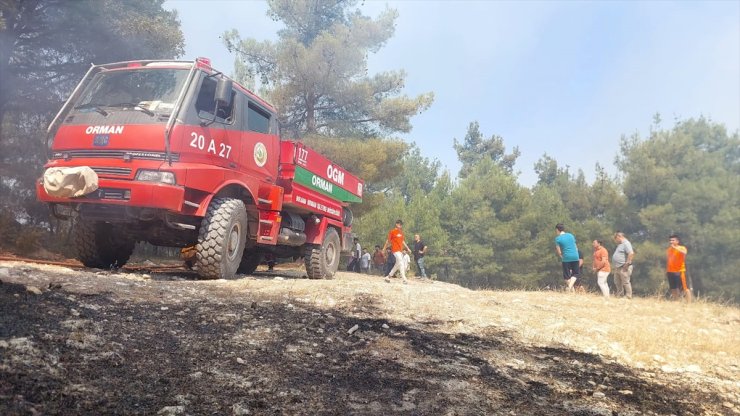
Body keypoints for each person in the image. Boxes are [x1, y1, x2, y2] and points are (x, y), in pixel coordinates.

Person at [382, 219, 412, 284]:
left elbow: (403, 241)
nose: (400, 226)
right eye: (399, 224)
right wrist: (384, 249)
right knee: (401, 263)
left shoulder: (401, 232)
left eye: (401, 225)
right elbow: (388, 241)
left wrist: (408, 248)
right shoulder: (392, 232)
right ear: (396, 224)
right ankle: (404, 279)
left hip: (400, 251)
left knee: (397, 264)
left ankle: (388, 277)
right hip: (395, 250)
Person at [554, 223, 580, 292]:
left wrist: (562, 257)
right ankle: (572, 291)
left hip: (566, 258)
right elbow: (576, 248)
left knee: (566, 276)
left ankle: (569, 287)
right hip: (575, 256)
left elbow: (559, 252)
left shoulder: (557, 239)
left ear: (557, 230)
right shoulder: (571, 235)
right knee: (575, 273)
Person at [666, 234, 692, 303]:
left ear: (677, 241)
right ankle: (676, 302)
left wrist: (675, 248)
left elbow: (685, 253)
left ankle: (689, 303)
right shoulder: (669, 250)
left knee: (685, 288)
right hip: (670, 271)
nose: (671, 242)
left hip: (680, 271)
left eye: (673, 240)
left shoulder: (682, 248)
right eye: (670, 240)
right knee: (673, 288)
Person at [612, 232, 634, 299]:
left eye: (616, 239)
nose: (615, 241)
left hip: (624, 266)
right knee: (617, 282)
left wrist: (627, 263)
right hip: (617, 267)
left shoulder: (626, 243)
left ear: (619, 237)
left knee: (625, 282)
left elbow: (631, 253)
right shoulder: (620, 245)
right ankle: (620, 295)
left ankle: (628, 296)